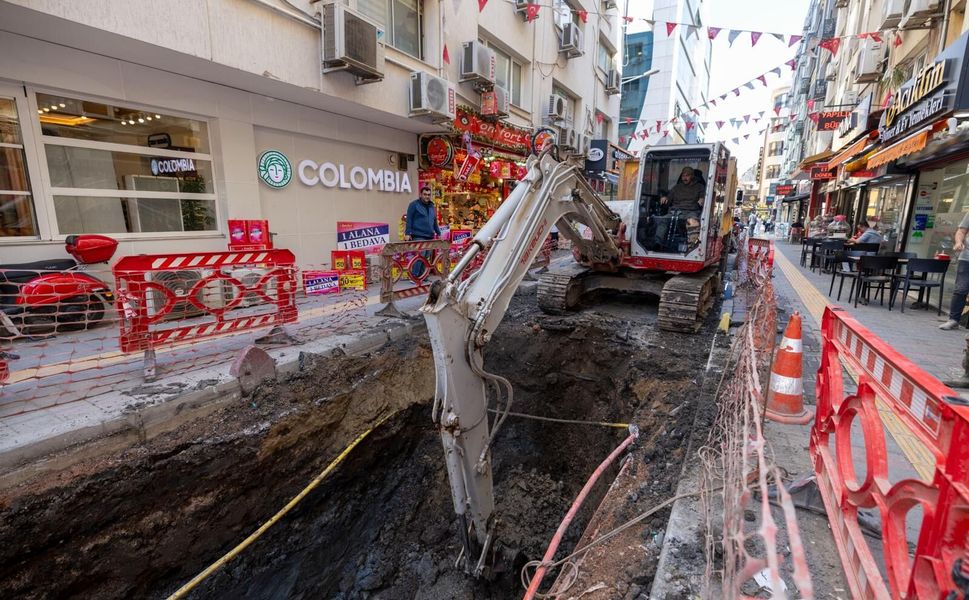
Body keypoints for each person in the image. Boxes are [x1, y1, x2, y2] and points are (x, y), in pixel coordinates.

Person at [940, 212, 969, 330]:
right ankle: (953, 320)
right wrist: (958, 242)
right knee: (961, 289)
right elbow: (961, 231)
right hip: (967, 258)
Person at [404, 186, 441, 278]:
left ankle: (422, 276)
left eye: (428, 195)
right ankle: (414, 276)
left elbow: (434, 221)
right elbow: (409, 219)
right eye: (425, 194)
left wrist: (438, 233)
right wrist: (407, 233)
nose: (427, 196)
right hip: (418, 235)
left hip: (430, 235)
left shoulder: (432, 206)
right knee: (421, 255)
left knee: (426, 256)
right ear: (420, 194)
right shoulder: (414, 205)